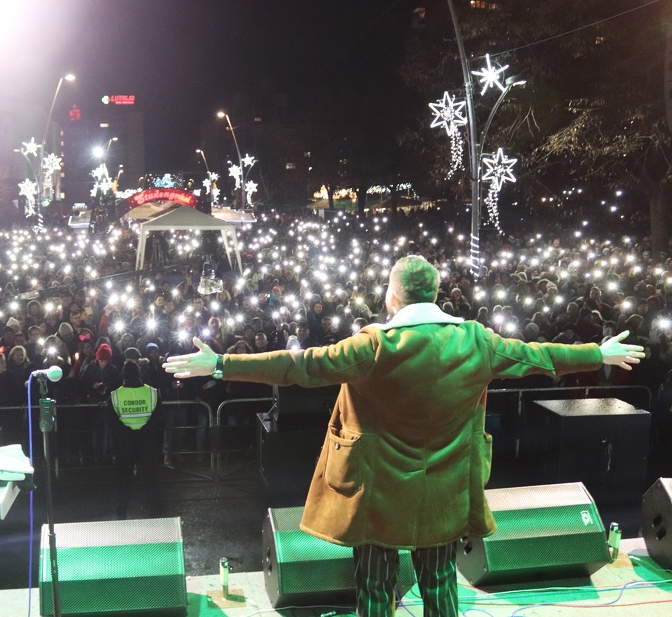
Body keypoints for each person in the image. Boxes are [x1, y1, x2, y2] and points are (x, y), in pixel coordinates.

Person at [163, 255, 644, 617]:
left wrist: (223, 363)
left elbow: (300, 366)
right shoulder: (476, 340)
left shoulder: (376, 346)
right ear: (434, 294)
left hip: (378, 492)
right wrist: (597, 354)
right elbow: (540, 357)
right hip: (445, 489)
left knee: (374, 585)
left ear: (392, 297)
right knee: (439, 584)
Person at [107, 361, 163, 519]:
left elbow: (111, 421)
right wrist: (145, 432)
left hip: (125, 443)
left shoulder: (115, 395)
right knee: (150, 477)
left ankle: (122, 511)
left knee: (124, 478)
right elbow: (159, 418)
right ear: (139, 374)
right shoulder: (152, 392)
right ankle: (155, 510)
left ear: (123, 376)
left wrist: (127, 433)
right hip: (147, 441)